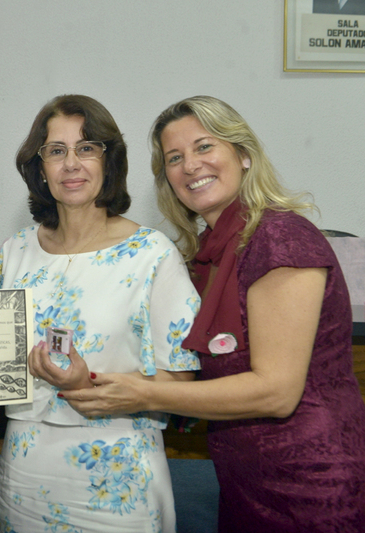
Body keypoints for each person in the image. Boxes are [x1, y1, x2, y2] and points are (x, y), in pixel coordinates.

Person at [61, 95, 365, 532]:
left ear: (243, 155)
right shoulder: (210, 253)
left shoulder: (281, 239)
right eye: (174, 158)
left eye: (204, 146)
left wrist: (144, 394)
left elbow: (276, 393)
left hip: (313, 483)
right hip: (245, 480)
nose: (190, 165)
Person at [0, 94, 200, 533]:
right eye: (56, 150)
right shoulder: (14, 252)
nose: (71, 164)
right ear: (39, 167)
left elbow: (182, 381)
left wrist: (88, 385)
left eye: (86, 148)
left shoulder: (151, 255)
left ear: (109, 161)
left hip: (117, 481)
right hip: (24, 473)